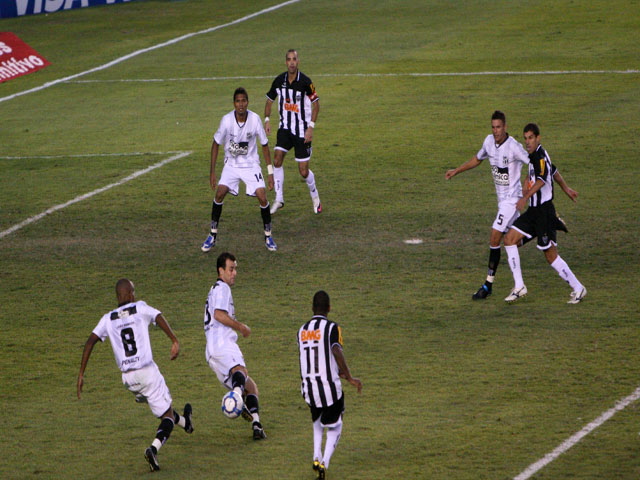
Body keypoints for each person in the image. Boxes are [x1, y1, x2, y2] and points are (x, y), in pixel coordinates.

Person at [77, 279, 193, 472]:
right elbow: (158, 316)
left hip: (128, 380)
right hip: (147, 373)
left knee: (160, 404)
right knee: (167, 417)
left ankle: (187, 423)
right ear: (130, 294)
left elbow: (90, 342)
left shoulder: (107, 318)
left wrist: (81, 374)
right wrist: (174, 340)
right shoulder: (139, 308)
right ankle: (153, 449)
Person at [445, 110, 530, 300]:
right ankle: (544, 226)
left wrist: (526, 188)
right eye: (493, 127)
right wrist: (456, 171)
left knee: (494, 238)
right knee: (512, 240)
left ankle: (488, 285)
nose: (496, 131)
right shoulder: (489, 142)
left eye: (499, 127)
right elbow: (477, 159)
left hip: (512, 200)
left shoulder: (514, 147)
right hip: (502, 202)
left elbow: (532, 163)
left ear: (505, 127)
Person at [503, 123, 586, 304]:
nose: (527, 142)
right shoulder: (535, 157)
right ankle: (519, 286)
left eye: (531, 138)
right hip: (533, 212)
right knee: (509, 240)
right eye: (525, 138)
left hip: (543, 213)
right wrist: (567, 189)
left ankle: (578, 288)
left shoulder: (540, 155)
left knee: (550, 256)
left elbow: (541, 179)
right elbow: (553, 171)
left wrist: (526, 197)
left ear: (538, 138)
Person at [201, 87, 277, 253]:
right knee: (219, 193)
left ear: (247, 102)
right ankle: (212, 235)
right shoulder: (227, 120)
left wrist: (270, 173)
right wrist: (212, 172)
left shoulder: (255, 119)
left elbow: (264, 146)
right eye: (238, 101)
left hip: (250, 165)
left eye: (243, 101)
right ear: (234, 104)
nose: (241, 104)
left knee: (263, 197)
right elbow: (215, 144)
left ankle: (268, 236)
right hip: (232, 166)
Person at [297, 291, 362, 479]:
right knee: (336, 425)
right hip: (329, 389)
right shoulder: (333, 328)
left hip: (308, 389)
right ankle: (324, 462)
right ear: (329, 308)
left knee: (317, 418)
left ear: (312, 308)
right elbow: (335, 350)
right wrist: (349, 377)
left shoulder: (302, 330)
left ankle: (316, 456)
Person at [203, 252, 266, 440]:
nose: (234, 273)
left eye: (235, 269)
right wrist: (241, 327)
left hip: (212, 350)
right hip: (222, 343)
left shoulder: (215, 289)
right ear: (220, 271)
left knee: (251, 387)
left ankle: (256, 425)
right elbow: (219, 315)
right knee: (241, 371)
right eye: (231, 269)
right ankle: (235, 399)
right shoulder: (222, 288)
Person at [264, 49, 321, 215]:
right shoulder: (279, 81)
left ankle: (315, 195)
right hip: (285, 129)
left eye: (294, 59)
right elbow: (269, 101)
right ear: (285, 62)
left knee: (303, 172)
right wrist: (267, 120)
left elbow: (316, 104)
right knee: (277, 158)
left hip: (302, 131)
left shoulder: (305, 82)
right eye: (289, 59)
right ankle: (279, 198)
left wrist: (311, 127)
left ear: (298, 61)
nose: (291, 62)